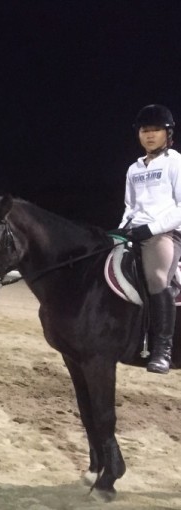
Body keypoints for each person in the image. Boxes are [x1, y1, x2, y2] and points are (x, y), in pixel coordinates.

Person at [111, 104, 181, 374]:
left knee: (156, 278)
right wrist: (121, 229)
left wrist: (151, 230)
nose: (150, 135)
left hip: (165, 233)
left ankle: (162, 350)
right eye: (144, 130)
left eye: (156, 130)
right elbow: (130, 207)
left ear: (168, 133)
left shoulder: (175, 163)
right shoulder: (134, 169)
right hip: (135, 230)